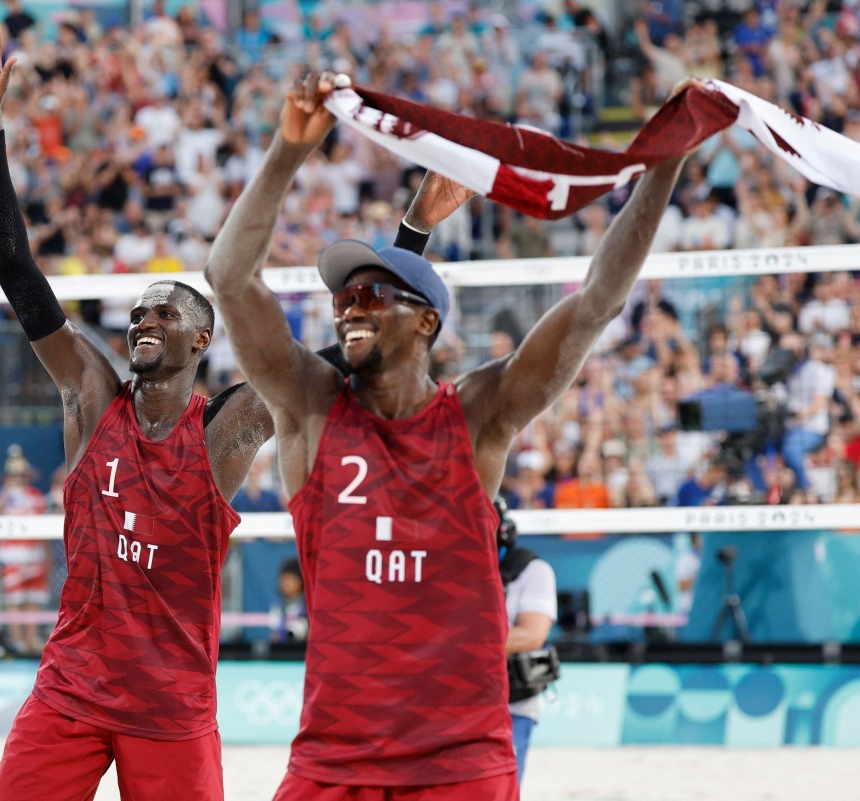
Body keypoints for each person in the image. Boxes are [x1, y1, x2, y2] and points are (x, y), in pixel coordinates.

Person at [205, 71, 694, 798]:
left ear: (426, 320)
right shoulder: (311, 408)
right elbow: (230, 279)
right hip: (334, 763)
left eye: (370, 295)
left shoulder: (478, 414)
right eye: (343, 297)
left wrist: (665, 163)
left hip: (458, 759)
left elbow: (597, 301)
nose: (347, 309)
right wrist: (286, 150)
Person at [0, 16, 347, 800]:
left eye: (163, 313)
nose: (143, 320)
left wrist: (413, 236)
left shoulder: (225, 429)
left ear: (201, 338)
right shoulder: (93, 396)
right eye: (137, 312)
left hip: (171, 706)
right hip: (71, 690)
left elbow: (346, 359)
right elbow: (13, 266)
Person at [495, 498, 557, 786]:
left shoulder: (531, 570)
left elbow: (532, 635)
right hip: (458, 700)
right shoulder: (451, 564)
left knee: (504, 786)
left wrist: (464, 642)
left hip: (512, 701)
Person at [0, 444, 50, 655]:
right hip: (10, 557)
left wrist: (47, 556)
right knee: (14, 600)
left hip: (34, 556)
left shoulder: (36, 495)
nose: (18, 478)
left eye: (21, 474)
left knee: (33, 599)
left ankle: (31, 639)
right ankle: (16, 640)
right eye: (14, 474)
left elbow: (44, 528)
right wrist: (6, 489)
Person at [268, 558, 308, 644]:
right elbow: (274, 629)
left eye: (290, 579)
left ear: (300, 581)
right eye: (283, 579)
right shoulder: (278, 603)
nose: (286, 584)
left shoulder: (307, 603)